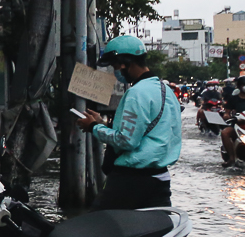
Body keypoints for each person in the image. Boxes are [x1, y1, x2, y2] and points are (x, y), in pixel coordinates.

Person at [76, 35, 182, 209]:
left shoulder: (137, 93)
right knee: (153, 232)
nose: (115, 71)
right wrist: (103, 124)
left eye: (115, 65)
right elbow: (147, 132)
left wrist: (94, 127)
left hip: (130, 181)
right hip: (161, 180)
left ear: (124, 62)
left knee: (96, 229)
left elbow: (126, 141)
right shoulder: (166, 90)